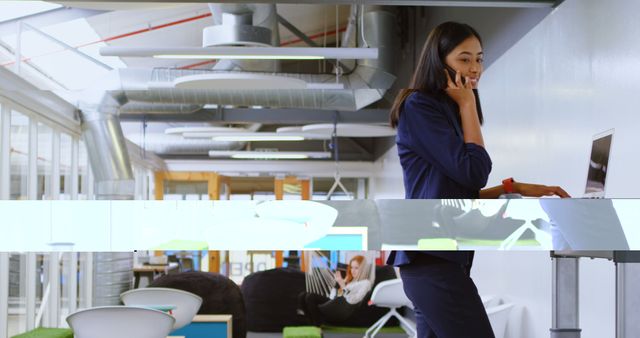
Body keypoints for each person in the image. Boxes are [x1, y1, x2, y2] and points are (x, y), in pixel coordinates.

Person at [387, 22, 570, 338]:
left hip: (441, 259)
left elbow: (453, 191)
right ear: (440, 61)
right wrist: (469, 103)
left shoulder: (447, 110)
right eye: (464, 59)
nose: (475, 68)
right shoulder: (420, 106)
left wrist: (511, 188)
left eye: (480, 59)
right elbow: (473, 170)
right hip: (431, 261)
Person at [298, 255, 372, 325]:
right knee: (303, 296)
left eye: (356, 268)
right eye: (352, 267)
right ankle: (311, 324)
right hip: (335, 304)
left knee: (310, 297)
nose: (353, 270)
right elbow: (332, 297)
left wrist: (342, 285)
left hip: (343, 309)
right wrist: (337, 284)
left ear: (363, 269)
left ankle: (316, 325)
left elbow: (353, 300)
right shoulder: (351, 281)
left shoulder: (366, 283)